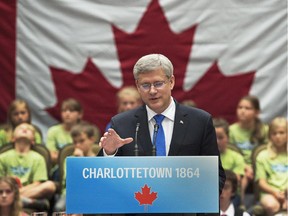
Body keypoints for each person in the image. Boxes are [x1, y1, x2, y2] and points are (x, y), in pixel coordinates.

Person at [98, 54, 225, 196]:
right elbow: (105, 178)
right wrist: (109, 153)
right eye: (145, 85)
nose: (152, 91)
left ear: (171, 82)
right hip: (138, 207)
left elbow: (216, 176)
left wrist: (198, 200)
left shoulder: (200, 121)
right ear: (138, 87)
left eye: (158, 83)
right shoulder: (122, 124)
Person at [0, 123, 56, 211]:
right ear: (13, 138)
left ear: (33, 140)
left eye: (28, 129)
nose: (24, 129)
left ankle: (15, 199)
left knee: (50, 185)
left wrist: (17, 191)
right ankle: (22, 200)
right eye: (20, 128)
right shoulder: (3, 157)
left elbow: (37, 183)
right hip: (6, 190)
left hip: (29, 190)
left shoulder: (38, 158)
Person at [229, 95, 269, 206]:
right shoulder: (232, 130)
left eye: (247, 108)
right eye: (240, 107)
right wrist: (246, 167)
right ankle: (239, 204)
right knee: (243, 176)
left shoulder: (265, 130)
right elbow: (231, 153)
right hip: (241, 167)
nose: (242, 111)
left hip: (260, 166)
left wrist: (253, 167)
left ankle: (260, 204)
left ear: (257, 112)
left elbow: (268, 152)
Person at [53, 122, 101, 212]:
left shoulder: (97, 161)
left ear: (91, 139)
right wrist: (78, 161)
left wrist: (82, 160)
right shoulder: (70, 160)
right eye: (75, 142)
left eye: (81, 141)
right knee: (59, 207)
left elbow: (94, 184)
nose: (78, 145)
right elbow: (71, 182)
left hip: (91, 194)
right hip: (71, 194)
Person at [255, 117, 287, 216]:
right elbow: (261, 182)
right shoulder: (262, 155)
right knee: (271, 205)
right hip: (269, 193)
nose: (278, 136)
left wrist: (286, 195)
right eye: (274, 133)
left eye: (282, 133)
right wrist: (275, 193)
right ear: (270, 136)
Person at [213, 118, 245, 207]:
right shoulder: (203, 157)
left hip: (230, 195)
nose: (217, 141)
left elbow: (236, 179)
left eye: (220, 137)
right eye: (213, 137)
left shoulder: (237, 157)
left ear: (228, 137)